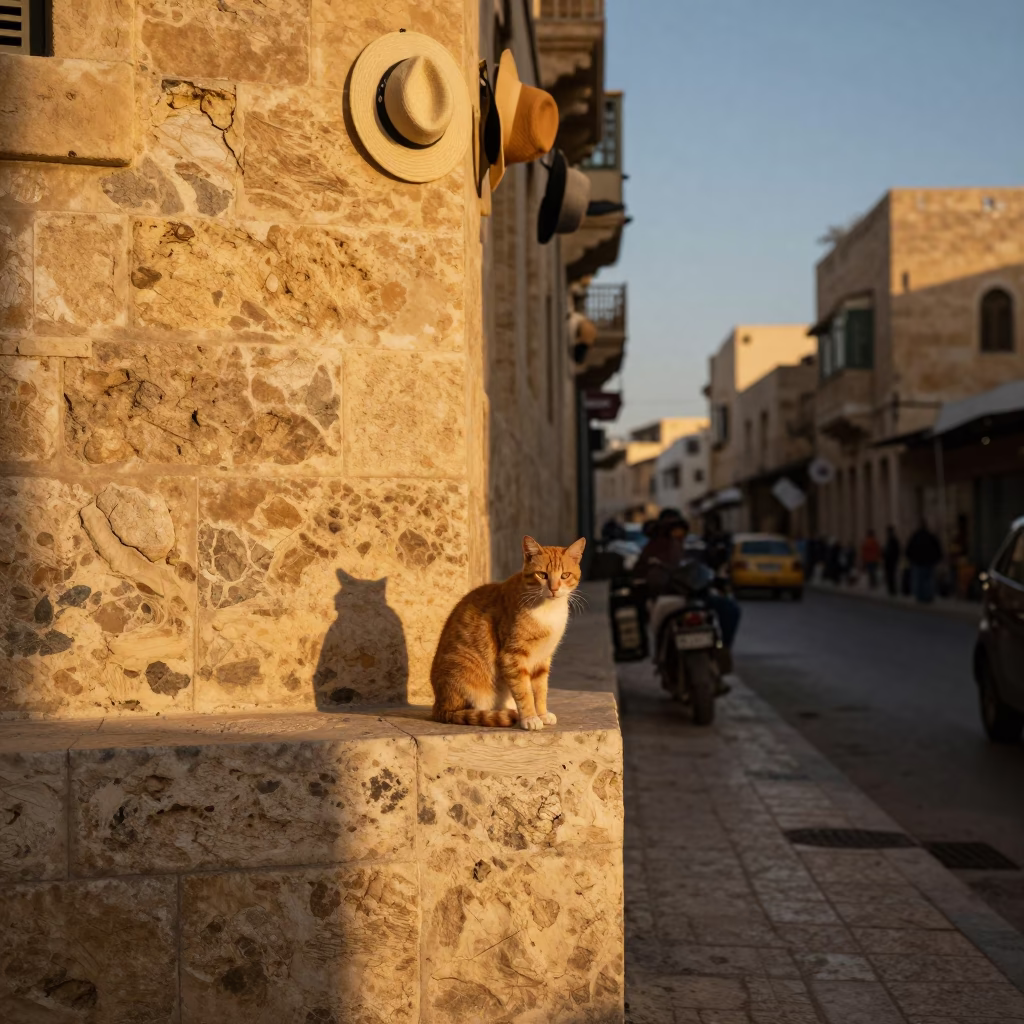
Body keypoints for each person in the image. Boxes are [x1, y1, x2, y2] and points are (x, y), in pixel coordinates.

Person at [636, 512, 741, 650]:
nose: (677, 533)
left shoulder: (695, 545)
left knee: (731, 609)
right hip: (667, 597)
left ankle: (722, 649)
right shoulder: (655, 548)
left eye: (679, 528)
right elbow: (641, 573)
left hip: (697, 596)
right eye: (671, 528)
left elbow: (709, 567)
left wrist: (718, 578)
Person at [905, 521, 943, 603]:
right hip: (928, 562)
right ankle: (928, 596)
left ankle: (920, 597)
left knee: (919, 580)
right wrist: (936, 559)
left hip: (918, 562)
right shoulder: (930, 536)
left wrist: (911, 559)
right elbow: (938, 549)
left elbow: (909, 549)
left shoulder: (916, 536)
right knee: (928, 580)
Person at [883, 526, 901, 596]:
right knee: (890, 576)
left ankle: (892, 590)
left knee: (891, 576)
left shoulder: (892, 540)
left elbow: (895, 551)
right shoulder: (890, 540)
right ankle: (891, 590)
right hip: (890, 561)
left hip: (891, 561)